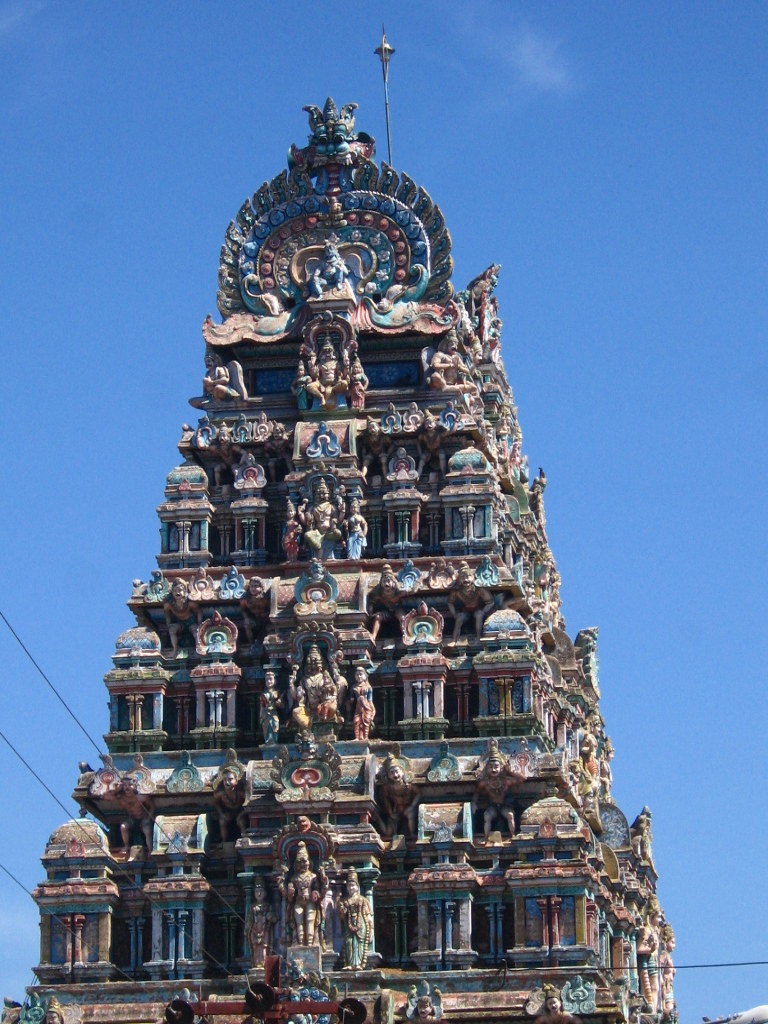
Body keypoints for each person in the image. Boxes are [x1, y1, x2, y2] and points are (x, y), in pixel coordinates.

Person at [337, 868, 372, 969]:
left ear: (357, 887)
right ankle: (349, 964)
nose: (351, 888)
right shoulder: (344, 901)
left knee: (359, 943)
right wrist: (342, 910)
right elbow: (341, 916)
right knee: (349, 942)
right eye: (349, 886)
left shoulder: (363, 900)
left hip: (361, 924)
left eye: (353, 885)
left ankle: (358, 964)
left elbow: (368, 916)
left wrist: (371, 929)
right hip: (349, 925)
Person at [352, 666, 375, 741]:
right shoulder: (354, 687)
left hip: (366, 706)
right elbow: (351, 699)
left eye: (361, 674)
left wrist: (373, 709)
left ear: (365, 676)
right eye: (357, 674)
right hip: (358, 707)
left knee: (366, 721)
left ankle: (365, 737)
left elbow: (370, 700)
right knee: (356, 721)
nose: (359, 676)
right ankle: (357, 737)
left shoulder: (368, 687)